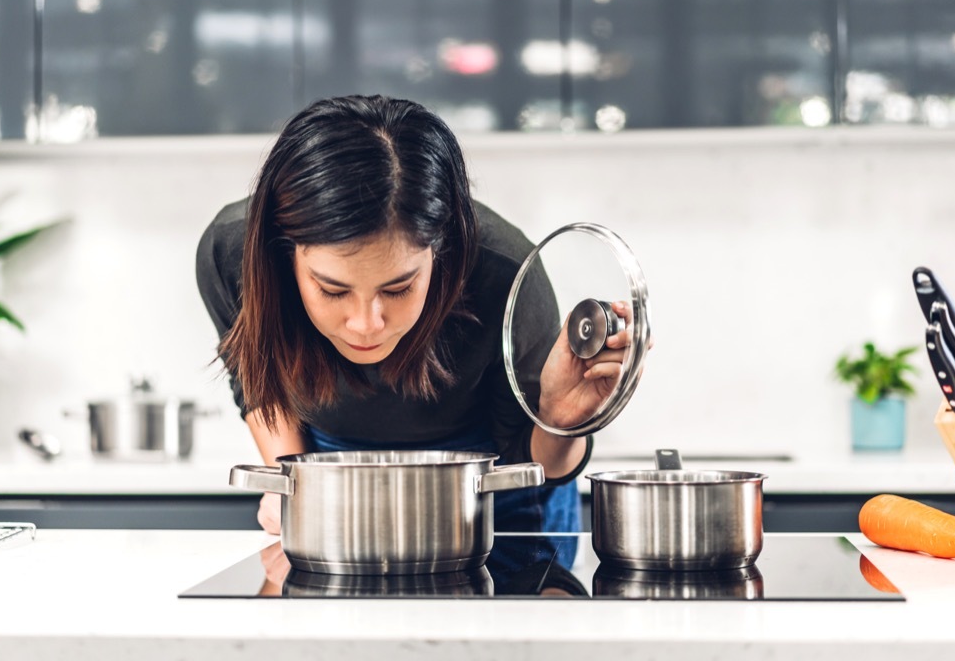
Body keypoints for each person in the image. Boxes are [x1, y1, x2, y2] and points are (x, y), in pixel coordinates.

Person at [195, 94, 634, 536]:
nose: (366, 323)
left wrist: (562, 421)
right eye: (332, 289)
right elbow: (256, 383)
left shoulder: (504, 273)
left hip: (493, 491)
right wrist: (293, 483)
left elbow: (535, 462)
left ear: (440, 250)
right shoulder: (232, 254)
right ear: (284, 253)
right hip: (327, 470)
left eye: (398, 288)